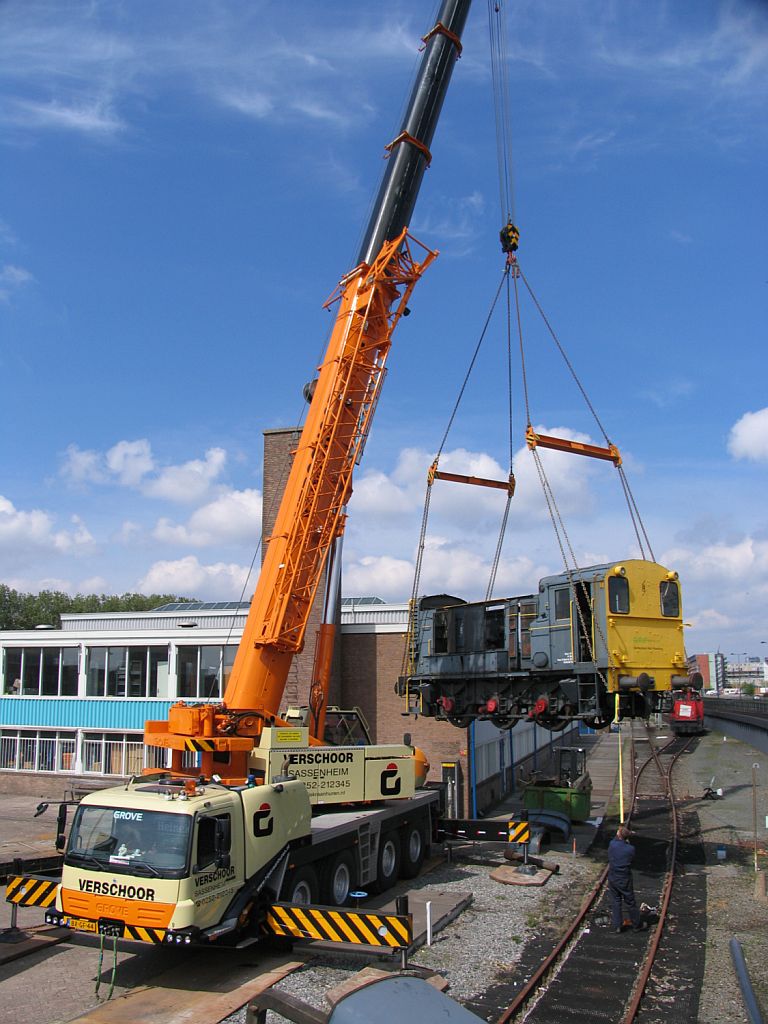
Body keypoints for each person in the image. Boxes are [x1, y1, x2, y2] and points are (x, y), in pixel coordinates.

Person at [607, 825, 647, 933]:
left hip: (613, 877)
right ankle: (636, 924)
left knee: (616, 901)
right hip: (624, 878)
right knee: (630, 902)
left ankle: (617, 925)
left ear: (618, 835)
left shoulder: (612, 844)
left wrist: (618, 834)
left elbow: (614, 841)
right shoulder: (630, 849)